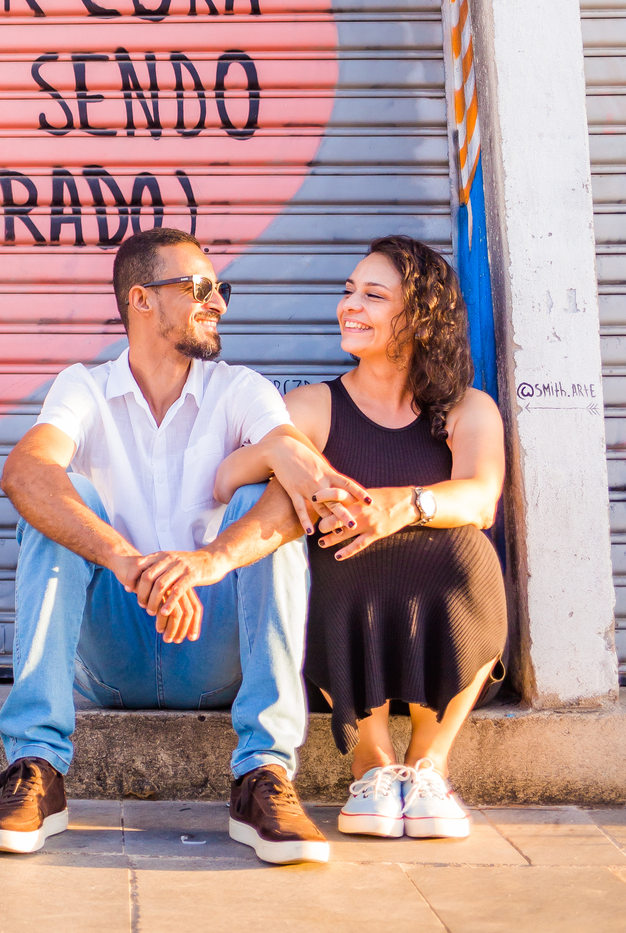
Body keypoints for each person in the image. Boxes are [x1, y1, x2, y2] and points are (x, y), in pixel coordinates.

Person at [0, 225, 368, 864]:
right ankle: (37, 770)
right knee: (62, 498)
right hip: (113, 652)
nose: (217, 303)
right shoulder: (84, 386)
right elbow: (24, 472)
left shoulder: (242, 389)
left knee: (266, 508)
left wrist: (209, 560)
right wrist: (129, 563)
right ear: (142, 299)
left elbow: (296, 492)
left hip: (213, 647)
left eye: (220, 290)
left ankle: (264, 774)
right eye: (199, 288)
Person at [214, 235, 507, 842]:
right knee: (329, 550)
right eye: (349, 291)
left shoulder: (466, 409)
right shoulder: (316, 404)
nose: (351, 305)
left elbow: (481, 498)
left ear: (420, 314)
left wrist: (408, 504)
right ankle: (371, 762)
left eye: (373, 295)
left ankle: (429, 765)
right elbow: (224, 478)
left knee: (468, 549)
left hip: (439, 608)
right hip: (343, 624)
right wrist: (277, 451)